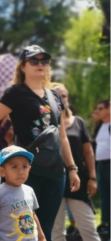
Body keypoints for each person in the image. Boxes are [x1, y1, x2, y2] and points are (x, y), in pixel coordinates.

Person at [0, 45, 80, 240]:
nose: (40, 64)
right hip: (25, 171)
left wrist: (72, 168)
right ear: (22, 66)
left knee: (46, 232)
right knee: (20, 230)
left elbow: (62, 136)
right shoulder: (15, 93)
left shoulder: (56, 96)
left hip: (55, 173)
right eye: (34, 60)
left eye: (44, 60)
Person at [49, 83, 100, 241]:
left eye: (63, 95)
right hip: (53, 180)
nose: (61, 99)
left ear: (67, 98)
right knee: (56, 232)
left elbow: (88, 152)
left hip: (77, 180)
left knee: (89, 229)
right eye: (56, 95)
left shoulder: (78, 122)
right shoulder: (46, 123)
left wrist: (92, 177)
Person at [0, 146, 45, 241]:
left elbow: (32, 214)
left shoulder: (29, 190)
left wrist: (41, 236)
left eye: (24, 167)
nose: (21, 172)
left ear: (29, 169)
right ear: (2, 171)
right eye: (14, 167)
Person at [94, 99, 110, 238]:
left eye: (100, 108)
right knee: (105, 198)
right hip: (101, 166)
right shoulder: (99, 126)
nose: (97, 111)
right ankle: (106, 227)